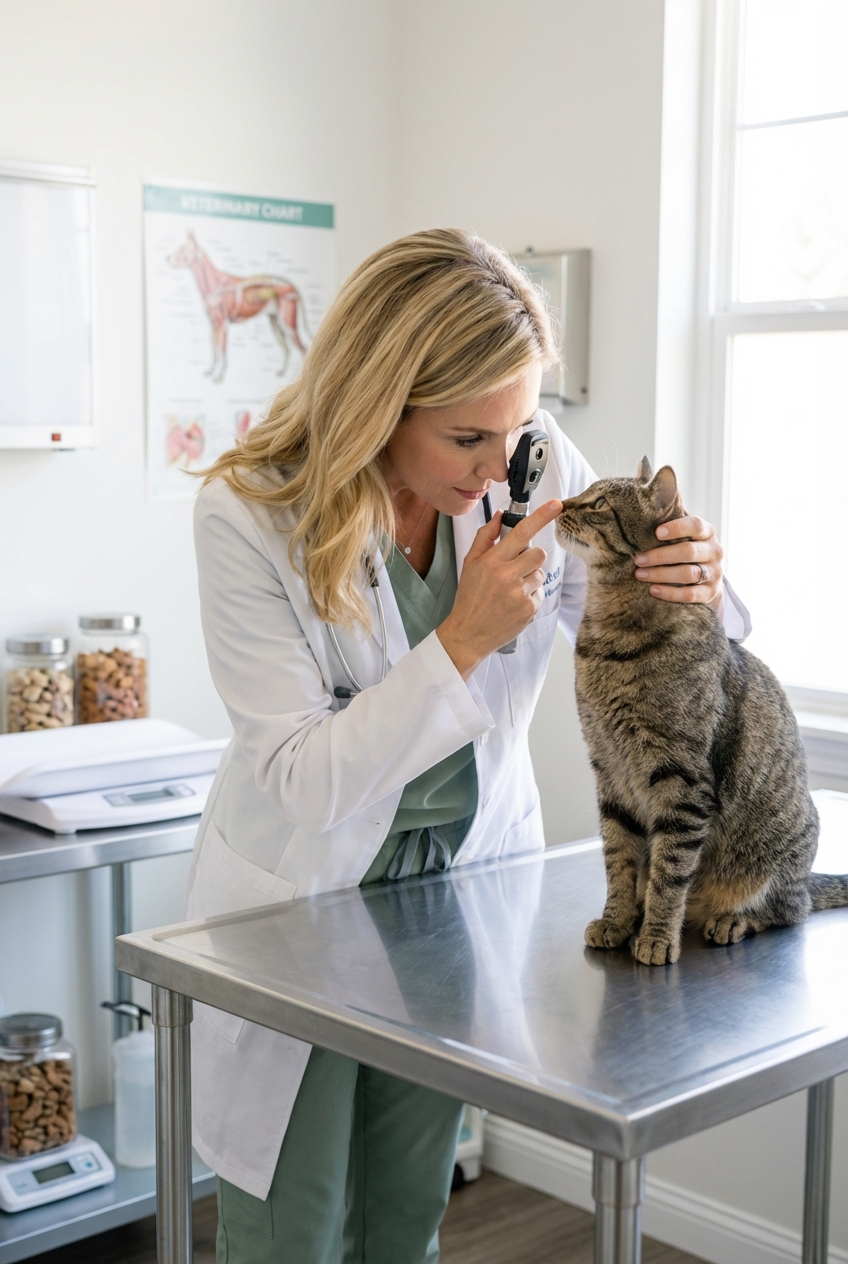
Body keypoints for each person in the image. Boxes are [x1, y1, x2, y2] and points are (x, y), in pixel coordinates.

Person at [188, 229, 748, 1264]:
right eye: (465, 440)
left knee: (408, 1220)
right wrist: (462, 640)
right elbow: (307, 782)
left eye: (519, 428)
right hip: (297, 912)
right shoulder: (244, 513)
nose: (505, 470)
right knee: (289, 1233)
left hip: (450, 903)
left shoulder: (529, 465)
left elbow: (685, 660)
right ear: (376, 401)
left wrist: (696, 581)